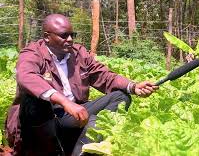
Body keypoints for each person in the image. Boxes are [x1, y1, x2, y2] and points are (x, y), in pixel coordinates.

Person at [5, 14, 158, 156]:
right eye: (64, 35)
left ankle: (79, 152)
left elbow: (103, 75)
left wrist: (133, 86)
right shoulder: (33, 52)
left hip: (73, 114)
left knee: (120, 97)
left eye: (73, 35)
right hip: (44, 118)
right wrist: (63, 101)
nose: (70, 39)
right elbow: (26, 76)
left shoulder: (78, 53)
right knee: (33, 99)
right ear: (47, 37)